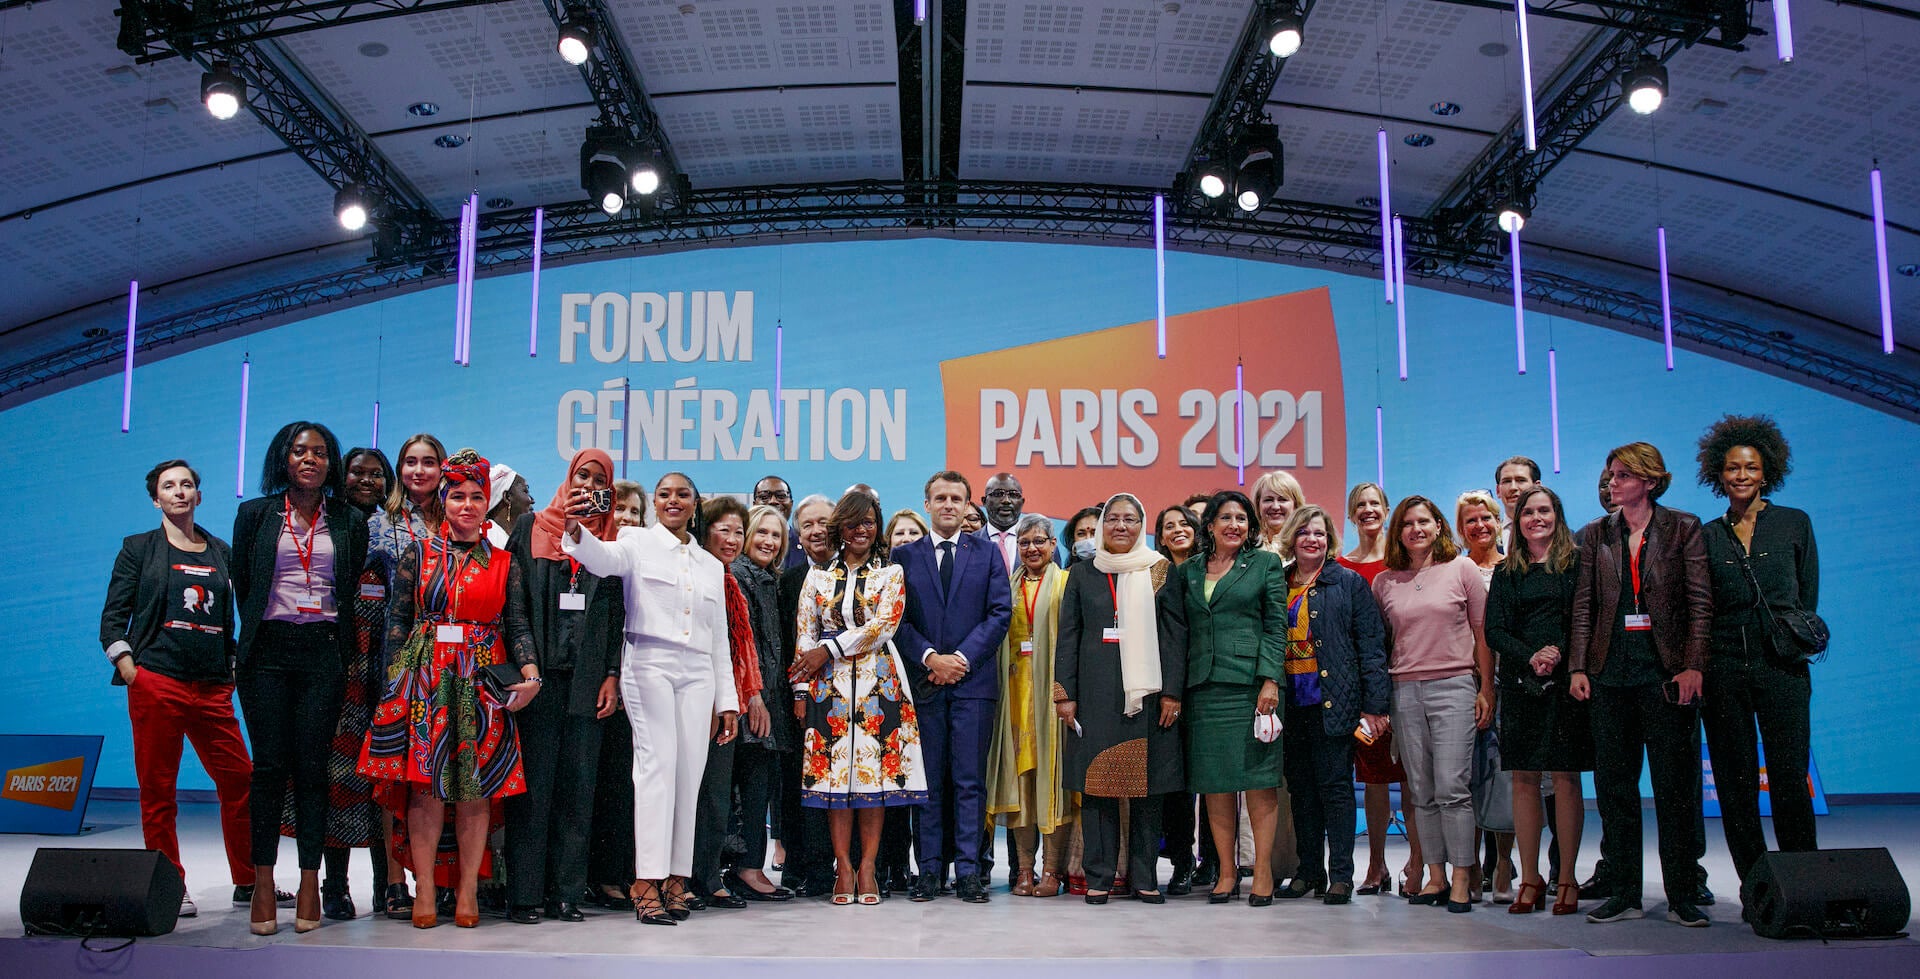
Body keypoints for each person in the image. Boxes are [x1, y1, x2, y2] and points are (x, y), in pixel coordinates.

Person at [360, 450, 529, 930]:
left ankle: (469, 890)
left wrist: (530, 671)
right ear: (445, 500)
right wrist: (395, 683)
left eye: (478, 496)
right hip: (424, 681)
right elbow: (397, 620)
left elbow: (516, 624)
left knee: (473, 791)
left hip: (480, 679)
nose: (468, 505)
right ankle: (426, 889)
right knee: (425, 791)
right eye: (458, 496)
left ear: (486, 503)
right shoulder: (418, 553)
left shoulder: (503, 562)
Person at [562, 472, 740, 925]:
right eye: (665, 494)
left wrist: (728, 700)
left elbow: (720, 637)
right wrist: (575, 529)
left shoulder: (710, 565)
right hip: (649, 663)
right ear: (655, 502)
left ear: (695, 503)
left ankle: (676, 879)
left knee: (688, 775)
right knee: (656, 769)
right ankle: (646, 879)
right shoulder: (635, 542)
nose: (673, 501)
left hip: (699, 670)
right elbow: (600, 559)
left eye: (683, 494)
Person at [100, 460, 256, 920]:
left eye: (187, 484)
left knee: (240, 781)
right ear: (156, 499)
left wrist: (229, 670)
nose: (179, 492)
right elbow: (113, 618)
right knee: (158, 790)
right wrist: (131, 670)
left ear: (199, 495)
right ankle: (170, 885)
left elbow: (234, 618)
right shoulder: (138, 549)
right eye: (169, 486)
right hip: (156, 682)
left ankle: (248, 881)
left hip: (211, 689)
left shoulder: (222, 552)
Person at [232, 421, 369, 935]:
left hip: (322, 651)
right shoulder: (255, 514)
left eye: (318, 453)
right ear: (283, 460)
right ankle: (263, 881)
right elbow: (245, 582)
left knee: (313, 768)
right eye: (298, 451)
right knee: (269, 767)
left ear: (331, 463)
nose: (309, 459)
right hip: (266, 649)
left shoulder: (349, 519)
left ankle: (311, 877)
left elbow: (350, 586)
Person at [1569, 442, 1713, 927]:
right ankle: (1626, 891)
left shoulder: (1682, 528)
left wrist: (1693, 664)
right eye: (1611, 474)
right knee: (1615, 789)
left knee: (1674, 789)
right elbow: (1584, 606)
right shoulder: (1595, 535)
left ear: (1650, 481)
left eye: (1623, 475)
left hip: (1665, 674)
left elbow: (1699, 603)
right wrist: (1579, 668)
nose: (1612, 482)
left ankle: (1681, 891)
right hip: (1610, 676)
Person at [501, 449, 625, 924]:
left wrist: (611, 673)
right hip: (538, 681)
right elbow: (512, 603)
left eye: (599, 480)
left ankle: (566, 893)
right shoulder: (531, 525)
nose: (588, 485)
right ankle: (526, 895)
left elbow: (617, 617)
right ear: (568, 479)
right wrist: (522, 668)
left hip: (588, 682)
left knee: (578, 788)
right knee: (534, 790)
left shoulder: (612, 541)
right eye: (582, 475)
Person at [1695, 416, 1819, 890]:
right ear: (1718, 474)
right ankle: (1758, 884)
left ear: (1766, 472)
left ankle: (1804, 879)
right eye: (1732, 468)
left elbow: (1807, 595)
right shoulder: (1707, 535)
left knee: (1790, 778)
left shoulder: (1794, 523)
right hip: (1723, 669)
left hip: (1783, 668)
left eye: (1750, 468)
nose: (1741, 476)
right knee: (1735, 782)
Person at [791, 490, 927, 905]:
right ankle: (842, 866)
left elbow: (883, 626)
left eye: (869, 521)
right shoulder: (816, 577)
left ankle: (867, 866)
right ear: (839, 529)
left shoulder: (892, 575)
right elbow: (805, 631)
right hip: (825, 686)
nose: (861, 530)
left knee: (873, 777)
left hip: (878, 681)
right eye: (852, 523)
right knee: (835, 782)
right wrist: (800, 688)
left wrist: (828, 650)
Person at [1053, 495, 1184, 906]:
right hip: (1094, 696)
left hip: (1149, 698)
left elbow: (1176, 635)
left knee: (1150, 791)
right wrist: (1065, 695)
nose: (1121, 527)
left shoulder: (1160, 570)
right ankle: (1099, 876)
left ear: (1141, 524)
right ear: (1102, 526)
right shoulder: (1082, 573)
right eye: (1113, 520)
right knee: (1097, 788)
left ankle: (1145, 877)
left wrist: (1173, 693)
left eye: (1130, 519)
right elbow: (1068, 636)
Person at [1160, 489, 1287, 905]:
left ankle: (1263, 872)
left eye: (1242, 518)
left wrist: (1270, 680)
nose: (1235, 525)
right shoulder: (1188, 571)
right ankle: (1226, 874)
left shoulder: (1265, 564)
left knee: (1258, 782)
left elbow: (1275, 625)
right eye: (1226, 518)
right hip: (1203, 689)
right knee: (1214, 785)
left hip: (1251, 687)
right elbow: (1177, 632)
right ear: (1209, 525)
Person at [895, 471, 1012, 903]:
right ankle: (927, 871)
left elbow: (1000, 614)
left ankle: (967, 872)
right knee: (926, 783)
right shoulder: (903, 557)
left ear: (967, 506)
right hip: (924, 685)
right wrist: (931, 658)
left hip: (973, 684)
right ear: (926, 504)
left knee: (968, 782)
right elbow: (897, 620)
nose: (948, 504)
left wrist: (959, 660)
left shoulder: (987, 554)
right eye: (940, 497)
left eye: (956, 498)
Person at [1371, 495, 1491, 913]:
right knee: (1419, 789)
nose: (1415, 529)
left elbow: (1482, 633)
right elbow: (1383, 645)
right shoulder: (1385, 581)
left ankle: (1462, 875)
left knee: (1452, 787)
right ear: (1397, 532)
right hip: (1404, 691)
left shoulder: (1462, 569)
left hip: (1455, 686)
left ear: (1439, 526)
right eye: (1407, 523)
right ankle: (1435, 874)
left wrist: (1486, 689)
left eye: (1424, 521)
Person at [1272, 505, 1389, 905]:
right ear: (1292, 537)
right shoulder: (1279, 581)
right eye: (1303, 532)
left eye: (1319, 533)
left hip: (1333, 703)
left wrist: (1374, 706)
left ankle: (1341, 874)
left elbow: (1371, 646)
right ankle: (1309, 871)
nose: (1311, 539)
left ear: (1330, 540)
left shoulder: (1349, 583)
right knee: (1301, 790)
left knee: (1335, 789)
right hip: (1289, 704)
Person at [296, 447, 395, 921]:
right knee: (336, 780)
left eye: (377, 475)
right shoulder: (323, 527)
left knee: (384, 782)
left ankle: (386, 886)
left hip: (390, 673)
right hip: (337, 673)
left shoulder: (396, 531)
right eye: (359, 472)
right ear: (342, 476)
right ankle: (334, 886)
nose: (367, 481)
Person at [1486, 486, 1592, 916]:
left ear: (1557, 515)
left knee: (1566, 779)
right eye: (1528, 512)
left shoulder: (1577, 564)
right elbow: (1495, 630)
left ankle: (1567, 877)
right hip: (1520, 683)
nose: (1535, 518)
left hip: (1568, 683)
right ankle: (1529, 878)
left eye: (1544, 510)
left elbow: (1587, 618)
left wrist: (1557, 654)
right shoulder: (1507, 570)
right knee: (1524, 780)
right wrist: (1530, 656)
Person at [987, 514, 1074, 897]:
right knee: (1021, 783)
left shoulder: (1068, 584)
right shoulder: (1005, 587)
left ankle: (1052, 871)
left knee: (1053, 783)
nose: (1032, 549)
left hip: (1055, 696)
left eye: (1040, 541)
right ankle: (1024, 869)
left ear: (1054, 545)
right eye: (1024, 543)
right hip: (1016, 695)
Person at [1338, 482, 1417, 896]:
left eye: (1375, 504)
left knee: (1411, 777)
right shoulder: (1340, 566)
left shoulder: (1406, 563)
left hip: (1407, 679)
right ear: (1351, 515)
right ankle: (1376, 866)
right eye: (1360, 505)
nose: (1368, 510)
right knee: (1372, 778)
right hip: (1363, 691)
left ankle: (1418, 863)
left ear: (1387, 511)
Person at [691, 496, 765, 909]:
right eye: (725, 530)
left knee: (716, 796)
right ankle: (676, 877)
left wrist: (745, 695)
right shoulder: (696, 573)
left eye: (740, 532)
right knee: (687, 793)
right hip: (690, 694)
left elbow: (741, 648)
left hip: (726, 700)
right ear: (705, 530)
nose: (733, 539)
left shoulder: (730, 581)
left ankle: (706, 875)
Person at [728, 504, 798, 901]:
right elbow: (743, 645)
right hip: (750, 700)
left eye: (777, 536)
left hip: (771, 698)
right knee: (750, 787)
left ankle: (747, 866)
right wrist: (754, 697)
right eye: (762, 533)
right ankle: (747, 869)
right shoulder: (738, 576)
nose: (769, 542)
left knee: (760, 785)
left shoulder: (770, 579)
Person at [778, 495, 838, 897]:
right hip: (803, 697)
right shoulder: (791, 578)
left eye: (823, 522)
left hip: (854, 693)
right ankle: (805, 867)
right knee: (804, 784)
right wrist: (799, 690)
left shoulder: (860, 573)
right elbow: (789, 643)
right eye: (807, 524)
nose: (816, 530)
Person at [1457, 489, 1515, 903]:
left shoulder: (1516, 568)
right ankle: (1472, 865)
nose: (1479, 526)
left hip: (1510, 683)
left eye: (1486, 518)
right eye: (1470, 520)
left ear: (1498, 523)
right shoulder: (1454, 570)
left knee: (1506, 778)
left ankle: (1504, 866)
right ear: (1460, 529)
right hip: (1466, 682)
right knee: (1468, 777)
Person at [1152, 501, 1202, 893]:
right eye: (1168, 526)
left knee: (1213, 782)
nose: (1177, 530)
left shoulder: (1210, 569)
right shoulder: (1153, 572)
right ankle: (1182, 861)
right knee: (1176, 783)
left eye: (1184, 523)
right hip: (1166, 686)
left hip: (1206, 683)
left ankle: (1217, 862)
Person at [1250, 470, 1306, 553]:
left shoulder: (1305, 545)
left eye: (1283, 499)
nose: (1275, 507)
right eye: (1268, 500)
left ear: (1296, 505)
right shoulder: (1249, 547)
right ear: (1258, 505)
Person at [980, 472, 1026, 570]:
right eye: (998, 494)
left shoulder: (1043, 547)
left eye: (1013, 495)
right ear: (984, 501)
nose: (1006, 500)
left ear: (1022, 502)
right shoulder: (967, 544)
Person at [486, 464, 532, 548]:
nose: (531, 500)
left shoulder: (519, 540)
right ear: (507, 497)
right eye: (525, 491)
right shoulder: (489, 541)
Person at [1495, 457, 1541, 525]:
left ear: (1537, 487)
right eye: (1507, 481)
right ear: (1498, 490)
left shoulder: (1555, 532)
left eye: (1521, 480)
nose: (1513, 488)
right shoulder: (1493, 534)